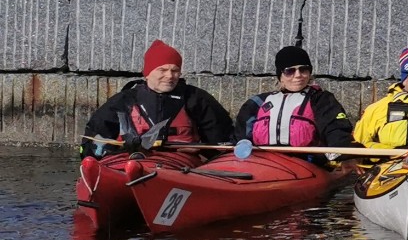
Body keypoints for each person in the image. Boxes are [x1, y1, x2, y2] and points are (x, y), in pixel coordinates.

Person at [81, 39, 233, 153]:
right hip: (132, 159)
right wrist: (108, 150)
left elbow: (221, 140)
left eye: (175, 71)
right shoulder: (124, 100)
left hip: (182, 164)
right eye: (163, 70)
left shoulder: (196, 98)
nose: (170, 76)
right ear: (147, 73)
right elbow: (93, 139)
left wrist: (200, 150)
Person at [235, 46, 357, 156]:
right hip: (264, 162)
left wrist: (346, 156)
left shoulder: (320, 99)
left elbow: (335, 130)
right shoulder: (258, 102)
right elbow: (239, 137)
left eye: (303, 69)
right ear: (280, 76)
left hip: (306, 163)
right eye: (290, 71)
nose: (298, 75)